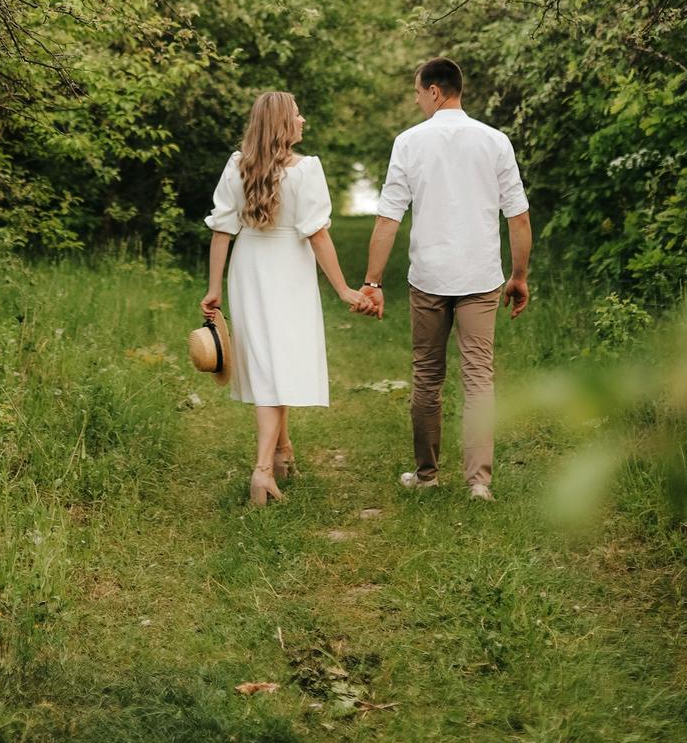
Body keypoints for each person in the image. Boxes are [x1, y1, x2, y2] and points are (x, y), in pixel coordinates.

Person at [358, 57, 532, 502]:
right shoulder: (495, 141)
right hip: (480, 277)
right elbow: (518, 216)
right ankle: (478, 483)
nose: (417, 100)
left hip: (430, 278)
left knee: (427, 376)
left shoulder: (409, 142)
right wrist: (518, 276)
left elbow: (388, 218)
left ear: (435, 91)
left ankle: (427, 475)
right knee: (479, 378)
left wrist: (373, 283)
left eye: (418, 92)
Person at [201, 90, 372, 507]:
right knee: (276, 369)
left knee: (267, 361)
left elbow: (222, 229)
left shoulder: (237, 166)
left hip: (249, 269)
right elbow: (317, 233)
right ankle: (261, 472)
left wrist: (215, 287)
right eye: (297, 115)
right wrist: (343, 288)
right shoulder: (306, 170)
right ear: (281, 123)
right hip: (288, 271)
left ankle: (282, 451)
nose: (303, 121)